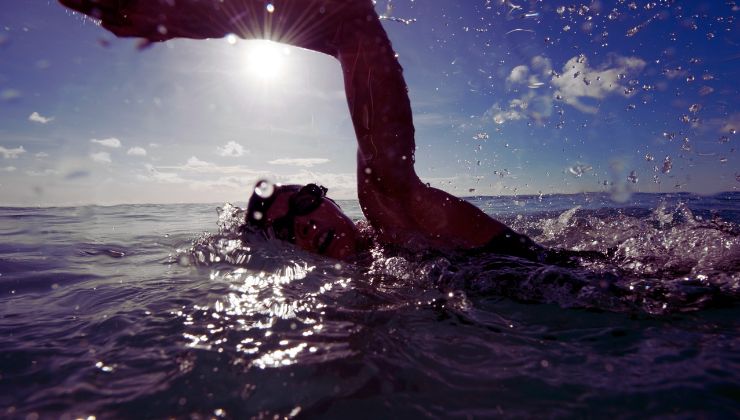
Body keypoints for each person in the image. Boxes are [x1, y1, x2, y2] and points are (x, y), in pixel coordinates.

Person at [60, 0, 550, 262]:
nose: (303, 223)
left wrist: (185, 14)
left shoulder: (395, 223)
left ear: (331, 200)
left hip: (600, 294)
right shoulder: (360, 286)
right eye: (281, 227)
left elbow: (351, 21)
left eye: (303, 203)